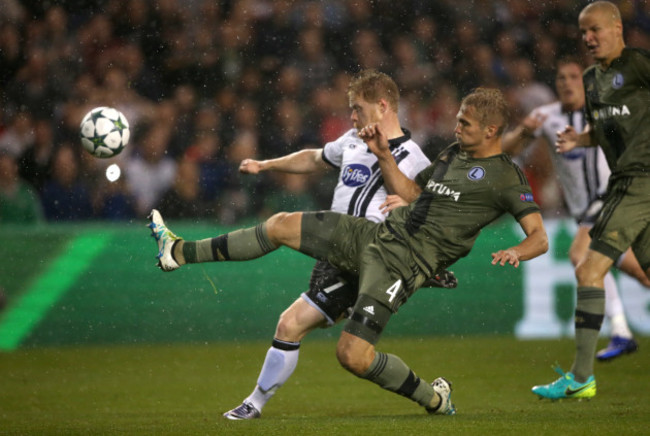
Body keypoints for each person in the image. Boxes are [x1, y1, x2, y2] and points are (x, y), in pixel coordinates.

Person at [148, 87, 549, 416]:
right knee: (280, 224)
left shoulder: (506, 179)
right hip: (376, 237)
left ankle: (433, 398)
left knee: (352, 355)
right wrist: (385, 157)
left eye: (465, 122)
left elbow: (539, 237)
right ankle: (178, 251)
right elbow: (410, 192)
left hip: (403, 265)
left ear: (492, 130)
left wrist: (518, 251)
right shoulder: (450, 155)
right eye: (458, 117)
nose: (456, 126)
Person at [221, 69, 448, 420]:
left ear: (383, 105)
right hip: (335, 253)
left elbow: (428, 214)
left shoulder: (415, 159)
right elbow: (314, 158)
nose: (353, 116)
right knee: (317, 339)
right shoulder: (352, 140)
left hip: (370, 262)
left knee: (310, 333)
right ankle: (433, 398)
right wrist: (266, 165)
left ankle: (254, 404)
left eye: (358, 108)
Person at [532, 1, 650, 400]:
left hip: (637, 184)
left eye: (595, 29)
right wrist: (581, 139)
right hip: (627, 185)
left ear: (618, 27)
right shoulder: (591, 80)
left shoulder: (638, 66)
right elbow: (604, 130)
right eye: (584, 32)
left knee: (586, 268)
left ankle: (582, 376)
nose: (588, 38)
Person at [502, 57, 647, 361]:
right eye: (561, 78)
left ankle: (620, 332)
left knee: (580, 256)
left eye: (573, 77)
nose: (567, 82)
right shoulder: (546, 116)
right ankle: (621, 332)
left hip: (610, 198)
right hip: (587, 212)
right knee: (641, 272)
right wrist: (524, 132)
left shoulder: (607, 111)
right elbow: (508, 150)